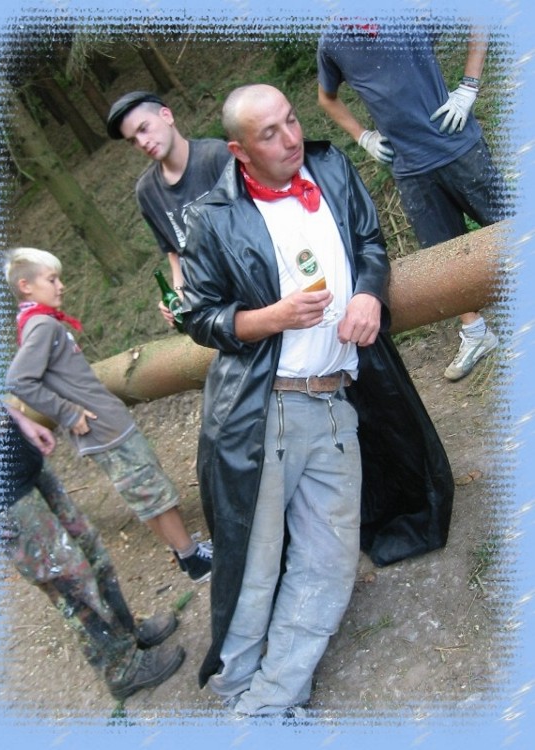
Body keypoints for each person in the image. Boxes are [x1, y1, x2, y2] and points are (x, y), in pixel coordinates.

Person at [179, 83, 453, 717]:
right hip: (265, 410)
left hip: (336, 402)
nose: (291, 138)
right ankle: (237, 685)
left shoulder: (330, 167)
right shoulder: (213, 218)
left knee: (328, 563)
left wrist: (369, 293)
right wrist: (271, 317)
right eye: (269, 133)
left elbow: (370, 243)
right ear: (239, 150)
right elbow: (199, 318)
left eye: (292, 120)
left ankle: (268, 703)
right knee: (255, 564)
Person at [3, 246, 212, 583]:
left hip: (101, 427)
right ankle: (194, 558)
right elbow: (19, 380)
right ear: (26, 286)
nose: (61, 286)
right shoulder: (41, 325)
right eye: (51, 279)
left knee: (143, 493)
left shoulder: (36, 324)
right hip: (105, 427)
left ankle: (183, 550)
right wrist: (68, 413)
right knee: (153, 490)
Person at [317, 20, 509, 380]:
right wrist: (362, 137)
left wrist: (468, 87)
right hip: (409, 168)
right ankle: (476, 333)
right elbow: (326, 98)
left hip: (458, 146)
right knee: (443, 256)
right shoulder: (333, 43)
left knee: (508, 225)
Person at [0, 403, 185, 700]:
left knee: (90, 549)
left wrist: (18, 420)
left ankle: (125, 633)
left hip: (19, 458)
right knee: (68, 578)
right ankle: (120, 667)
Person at [106, 91, 230, 328]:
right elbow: (175, 252)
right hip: (214, 308)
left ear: (166, 115)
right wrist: (179, 295)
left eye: (144, 129)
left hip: (256, 286)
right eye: (133, 140)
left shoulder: (217, 156)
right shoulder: (147, 192)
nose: (142, 142)